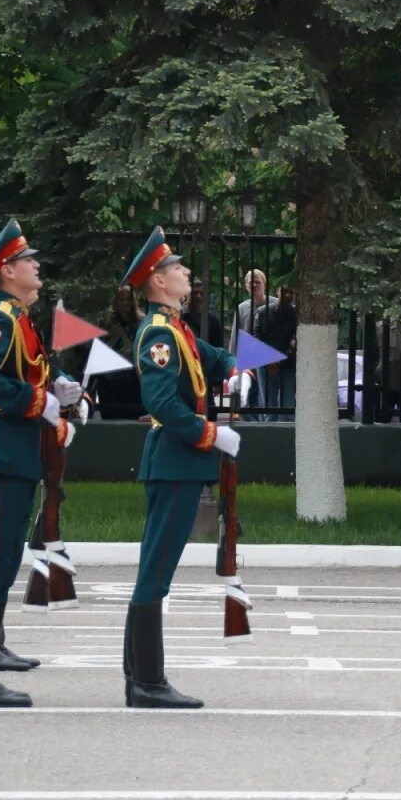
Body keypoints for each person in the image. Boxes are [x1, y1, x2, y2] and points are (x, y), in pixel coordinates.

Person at [0, 219, 83, 707]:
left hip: (17, 452)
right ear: (6, 270)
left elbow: (25, 374)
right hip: (3, 450)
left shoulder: (18, 318)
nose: (37, 266)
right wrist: (37, 401)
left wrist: (57, 391)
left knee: (1, 560)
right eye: (29, 260)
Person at [121, 226, 244, 709]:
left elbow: (215, 360)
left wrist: (240, 369)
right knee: (156, 571)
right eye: (176, 267)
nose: (185, 271)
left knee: (159, 569)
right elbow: (163, 404)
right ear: (156, 281)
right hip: (174, 461)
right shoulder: (157, 332)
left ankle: (141, 676)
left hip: (182, 463)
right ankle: (146, 682)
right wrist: (213, 434)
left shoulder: (178, 329)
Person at [228, 268, 277, 418]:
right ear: (245, 285)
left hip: (269, 359)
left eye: (258, 282)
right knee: (247, 398)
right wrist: (232, 360)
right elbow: (236, 335)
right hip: (247, 360)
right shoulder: (242, 308)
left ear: (265, 284)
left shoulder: (275, 304)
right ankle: (249, 424)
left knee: (268, 399)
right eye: (251, 282)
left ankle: (267, 425)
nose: (254, 285)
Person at [95, 286, 145, 419]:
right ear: (116, 301)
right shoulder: (106, 322)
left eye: (128, 299)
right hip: (111, 379)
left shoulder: (141, 321)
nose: (125, 303)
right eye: (121, 299)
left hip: (134, 378)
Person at [253, 284, 297, 421]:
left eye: (291, 292)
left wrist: (282, 358)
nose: (288, 295)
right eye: (285, 291)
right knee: (269, 409)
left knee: (288, 410)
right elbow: (256, 338)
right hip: (266, 365)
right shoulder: (262, 312)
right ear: (278, 291)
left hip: (288, 365)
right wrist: (270, 359)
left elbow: (297, 338)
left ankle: (287, 438)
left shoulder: (296, 314)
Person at [183, 278, 224, 350]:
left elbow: (218, 347)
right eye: (195, 293)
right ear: (187, 295)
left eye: (201, 293)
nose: (198, 296)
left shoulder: (213, 321)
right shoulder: (181, 318)